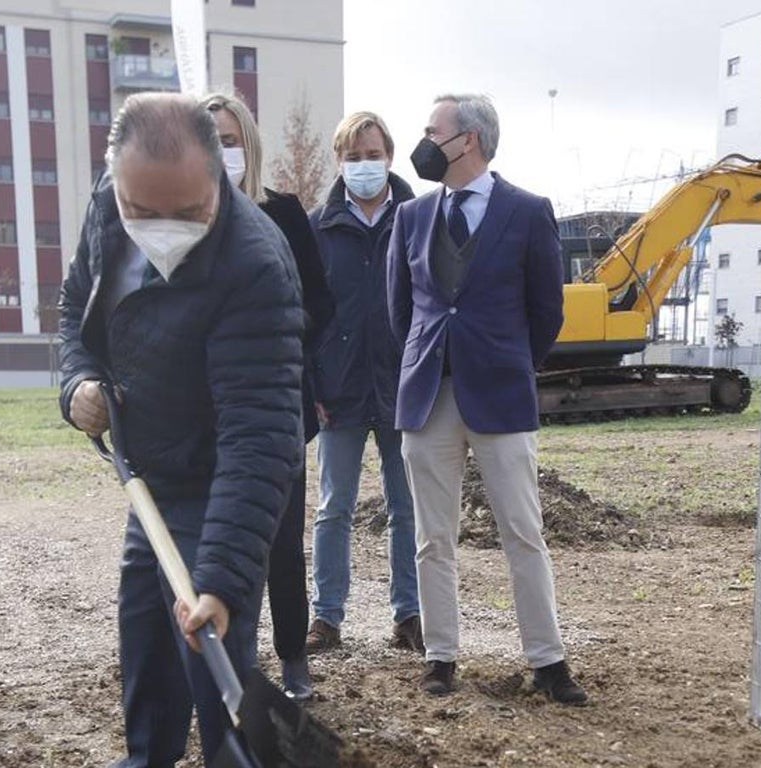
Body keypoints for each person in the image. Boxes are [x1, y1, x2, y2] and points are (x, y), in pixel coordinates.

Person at [58, 93, 304, 767]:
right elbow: (75, 308)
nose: (164, 227)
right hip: (152, 479)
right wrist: (77, 384)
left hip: (221, 476)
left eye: (190, 212)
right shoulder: (108, 206)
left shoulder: (255, 261)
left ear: (218, 181)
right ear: (118, 180)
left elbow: (260, 436)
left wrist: (223, 579)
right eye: (144, 211)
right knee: (147, 652)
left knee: (215, 668)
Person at [385, 93, 587, 704]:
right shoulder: (412, 216)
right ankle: (440, 656)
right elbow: (401, 311)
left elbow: (547, 311)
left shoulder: (527, 212)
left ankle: (548, 662)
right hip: (428, 395)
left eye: (431, 130)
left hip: (500, 395)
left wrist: (506, 364)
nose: (422, 140)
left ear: (466, 139)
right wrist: (431, 359)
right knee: (431, 536)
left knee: (522, 531)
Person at [201, 92, 333, 701]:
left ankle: (292, 656)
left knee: (281, 541)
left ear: (248, 144)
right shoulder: (185, 217)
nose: (221, 149)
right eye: (209, 138)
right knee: (218, 537)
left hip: (277, 403)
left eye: (229, 139)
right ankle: (231, 661)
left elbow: (321, 305)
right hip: (203, 408)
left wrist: (269, 332)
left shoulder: (282, 214)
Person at [306, 111, 421, 654]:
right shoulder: (317, 226)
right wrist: (314, 384)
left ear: (389, 157)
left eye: (372, 154)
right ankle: (326, 618)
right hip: (339, 391)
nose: (363, 165)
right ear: (340, 162)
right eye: (353, 157)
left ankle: (410, 616)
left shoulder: (419, 218)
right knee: (335, 508)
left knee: (408, 508)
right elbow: (304, 313)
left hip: (404, 388)